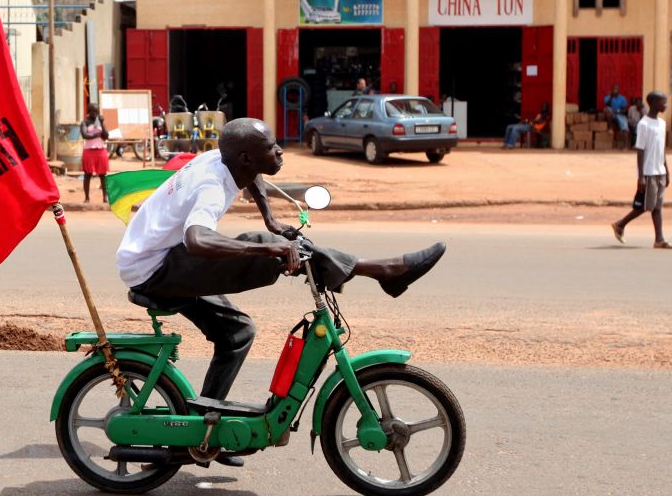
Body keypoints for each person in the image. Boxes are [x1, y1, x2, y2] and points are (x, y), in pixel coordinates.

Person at [116, 118, 446, 466]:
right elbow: (197, 240)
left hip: (154, 258)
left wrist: (271, 220)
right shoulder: (211, 185)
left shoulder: (228, 160)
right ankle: (384, 269)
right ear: (245, 157)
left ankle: (205, 433)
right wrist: (268, 247)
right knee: (264, 246)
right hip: (157, 269)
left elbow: (254, 178)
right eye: (270, 148)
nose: (279, 151)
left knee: (237, 333)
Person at [611, 92, 672, 250]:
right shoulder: (644, 124)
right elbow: (640, 150)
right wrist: (640, 176)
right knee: (646, 206)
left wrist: (667, 170)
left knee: (656, 207)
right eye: (663, 102)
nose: (666, 105)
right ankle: (620, 224)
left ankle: (659, 240)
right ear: (653, 103)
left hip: (659, 171)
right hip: (648, 172)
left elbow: (662, 149)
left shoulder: (661, 123)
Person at [80, 103, 109, 203]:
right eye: (94, 111)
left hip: (101, 150)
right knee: (87, 174)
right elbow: (85, 135)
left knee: (103, 175)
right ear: (89, 111)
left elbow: (106, 136)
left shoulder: (100, 121)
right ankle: (87, 198)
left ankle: (105, 197)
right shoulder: (85, 122)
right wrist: (98, 134)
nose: (96, 113)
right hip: (89, 151)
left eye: (97, 111)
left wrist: (102, 122)